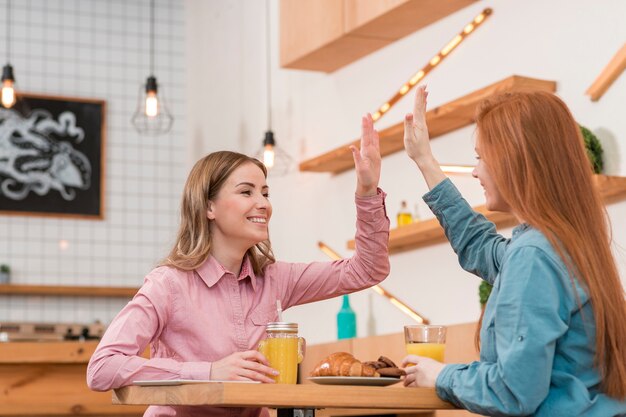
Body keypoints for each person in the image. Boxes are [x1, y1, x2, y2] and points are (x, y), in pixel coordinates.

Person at [86, 114, 390, 417]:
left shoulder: (276, 279)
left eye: (265, 193)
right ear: (208, 207)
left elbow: (368, 269)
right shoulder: (168, 284)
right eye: (247, 192)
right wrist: (209, 371)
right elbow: (102, 367)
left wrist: (366, 193)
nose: (264, 203)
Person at [401, 86, 626, 416]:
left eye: (480, 157)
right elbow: (480, 246)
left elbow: (513, 391)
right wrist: (425, 161)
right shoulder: (562, 243)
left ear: (515, 159)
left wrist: (440, 375)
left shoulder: (534, 255)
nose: (475, 171)